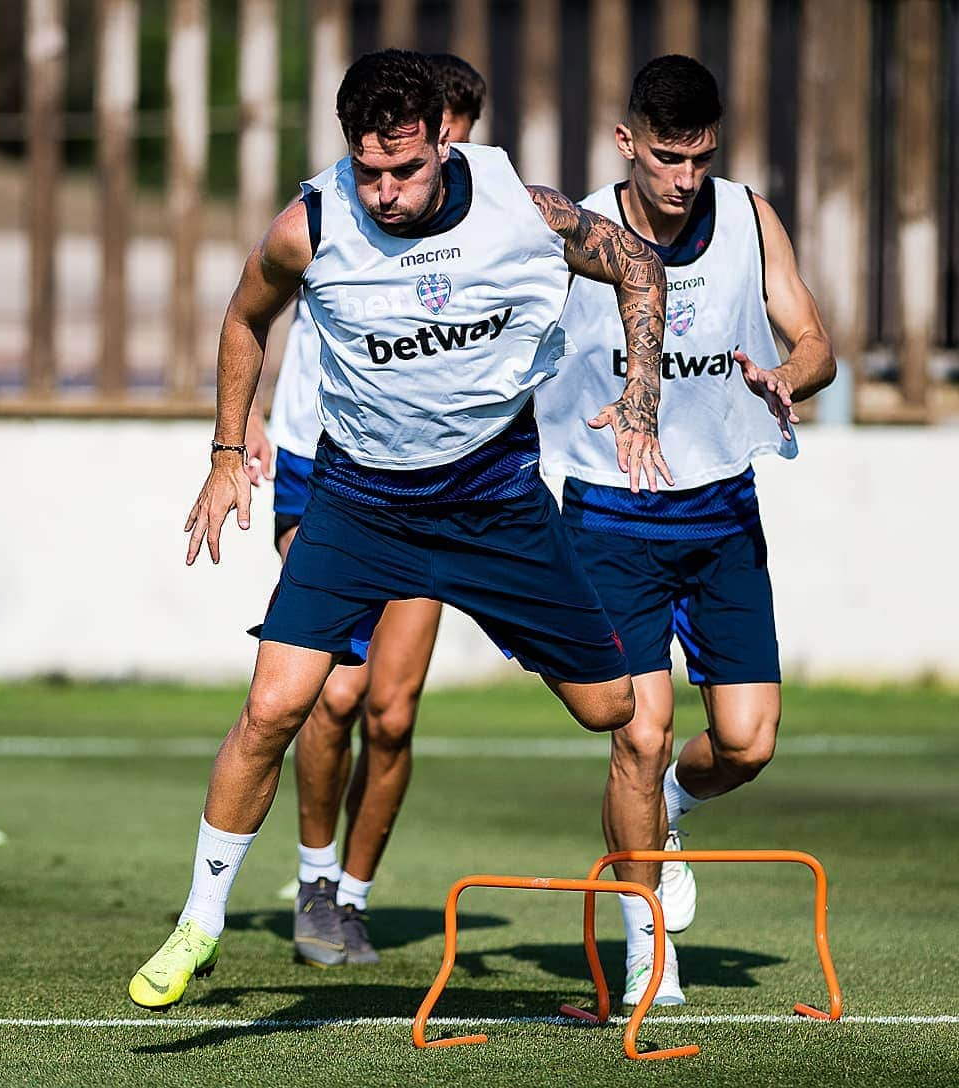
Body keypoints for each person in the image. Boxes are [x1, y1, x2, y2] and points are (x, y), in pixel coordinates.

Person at [128, 48, 672, 1011]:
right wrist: (224, 451)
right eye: (368, 170)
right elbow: (244, 316)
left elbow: (636, 262)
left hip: (495, 500)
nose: (384, 192)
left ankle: (654, 855)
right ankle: (199, 924)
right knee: (275, 707)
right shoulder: (312, 225)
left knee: (614, 711)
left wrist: (640, 395)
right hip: (360, 503)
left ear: (443, 145)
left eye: (405, 170)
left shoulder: (524, 211)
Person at [535, 54, 835, 1007]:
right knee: (639, 733)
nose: (684, 179)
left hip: (722, 511)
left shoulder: (748, 216)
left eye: (700, 159)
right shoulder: (578, 229)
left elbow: (814, 339)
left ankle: (664, 810)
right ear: (629, 143)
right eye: (667, 158)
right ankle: (645, 954)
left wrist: (793, 380)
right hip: (612, 515)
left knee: (747, 745)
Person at [265, 53, 486, 969]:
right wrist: (229, 444)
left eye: (450, 153)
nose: (422, 181)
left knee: (391, 711)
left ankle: (352, 899)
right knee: (338, 691)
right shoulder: (331, 209)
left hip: (434, 482)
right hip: (322, 468)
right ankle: (314, 881)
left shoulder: (483, 219)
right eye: (432, 150)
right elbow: (253, 311)